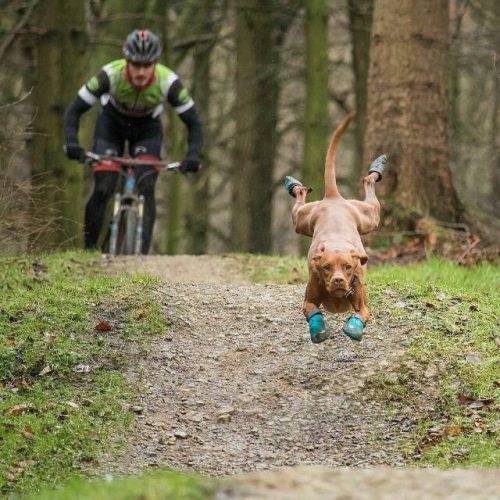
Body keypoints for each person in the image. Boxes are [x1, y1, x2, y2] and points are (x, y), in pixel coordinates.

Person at [63, 29, 203, 254]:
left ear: (155, 63)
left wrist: (193, 156)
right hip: (111, 127)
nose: (140, 72)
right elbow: (74, 110)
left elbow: (194, 122)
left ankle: (142, 258)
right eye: (135, 65)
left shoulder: (168, 81)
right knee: (104, 186)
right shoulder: (110, 75)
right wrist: (72, 143)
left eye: (147, 65)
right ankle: (87, 252)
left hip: (147, 130)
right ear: (125, 60)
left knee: (147, 185)